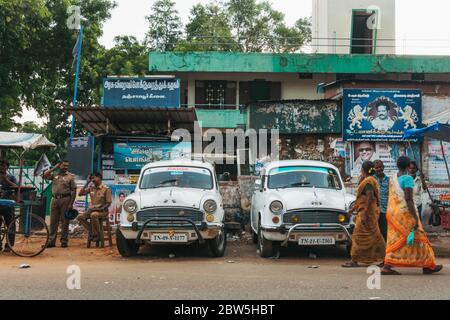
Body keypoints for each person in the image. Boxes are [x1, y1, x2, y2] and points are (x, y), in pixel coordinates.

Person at [381, 156, 443, 276]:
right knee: (420, 237)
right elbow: (408, 199)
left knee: (396, 240)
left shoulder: (393, 178)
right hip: (406, 213)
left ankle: (388, 265)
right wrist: (415, 217)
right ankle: (428, 265)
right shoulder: (407, 178)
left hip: (393, 213)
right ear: (408, 165)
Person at [343, 161, 386, 268]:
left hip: (367, 214)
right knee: (376, 237)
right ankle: (384, 259)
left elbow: (369, 197)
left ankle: (354, 260)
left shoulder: (368, 182)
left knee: (358, 236)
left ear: (363, 170)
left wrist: (366, 214)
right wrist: (352, 209)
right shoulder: (368, 180)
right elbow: (362, 199)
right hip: (368, 213)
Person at [43, 160, 77, 248]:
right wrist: (54, 168)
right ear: (59, 165)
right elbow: (44, 176)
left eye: (67, 166)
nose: (65, 167)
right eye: (63, 165)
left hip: (65, 199)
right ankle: (51, 241)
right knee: (53, 221)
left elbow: (74, 190)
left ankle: (64, 241)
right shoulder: (54, 174)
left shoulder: (70, 176)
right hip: (54, 199)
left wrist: (71, 204)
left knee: (65, 221)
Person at [77, 173, 112, 243]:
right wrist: (87, 182)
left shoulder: (106, 189)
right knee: (80, 217)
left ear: (99, 178)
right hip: (92, 210)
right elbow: (80, 194)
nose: (92, 180)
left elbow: (109, 203)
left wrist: (101, 209)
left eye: (94, 178)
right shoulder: (91, 188)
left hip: (102, 211)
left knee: (94, 215)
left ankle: (96, 235)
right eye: (91, 178)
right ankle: (95, 233)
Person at [0, 160, 18, 252]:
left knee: (11, 225)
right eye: (1, 165)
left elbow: (17, 187)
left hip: (8, 205)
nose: (2, 167)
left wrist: (6, 180)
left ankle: (9, 245)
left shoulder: (11, 177)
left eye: (4, 166)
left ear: (7, 167)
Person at [374, 160, 389, 241]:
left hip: (385, 210)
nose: (379, 169)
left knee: (384, 232)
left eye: (380, 167)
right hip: (374, 211)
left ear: (383, 167)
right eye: (376, 168)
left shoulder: (389, 180)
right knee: (375, 232)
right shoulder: (371, 179)